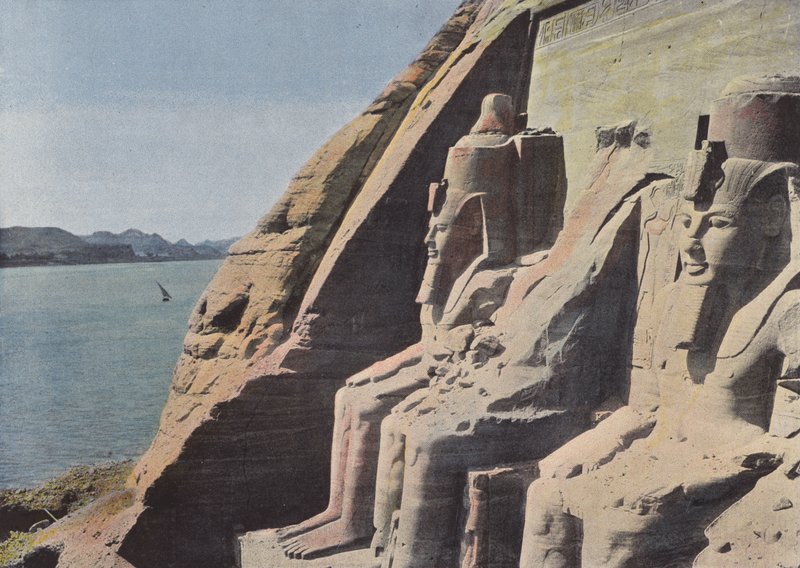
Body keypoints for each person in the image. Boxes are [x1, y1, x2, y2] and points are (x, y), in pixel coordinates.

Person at [520, 75, 800, 568]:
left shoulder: (787, 308)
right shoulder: (672, 300)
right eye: (686, 223)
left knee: (618, 528)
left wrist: (689, 482)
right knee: (545, 496)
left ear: (774, 218)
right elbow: (644, 409)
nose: (691, 242)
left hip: (723, 471)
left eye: (718, 224)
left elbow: (785, 445)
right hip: (660, 451)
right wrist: (600, 446)